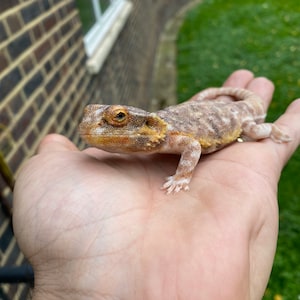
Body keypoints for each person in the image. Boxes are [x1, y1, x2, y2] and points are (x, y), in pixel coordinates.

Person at [13, 70, 300, 300]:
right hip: (205, 110)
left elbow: (192, 146)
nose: (94, 126)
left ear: (145, 124)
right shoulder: (156, 135)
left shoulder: (169, 136)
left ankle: (270, 128)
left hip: (240, 118)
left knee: (256, 131)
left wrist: (183, 177)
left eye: (119, 119)